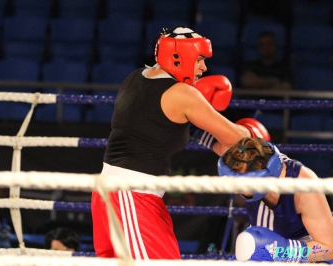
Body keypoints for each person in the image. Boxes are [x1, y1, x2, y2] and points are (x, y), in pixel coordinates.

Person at [91, 26, 271, 260]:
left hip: (121, 194)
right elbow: (237, 138)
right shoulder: (183, 94)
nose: (204, 68)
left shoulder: (136, 77)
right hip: (131, 197)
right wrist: (253, 131)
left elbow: (182, 129)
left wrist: (220, 146)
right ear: (178, 57)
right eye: (200, 60)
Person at [218, 137, 333, 263]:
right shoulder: (243, 158)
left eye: (241, 184)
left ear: (262, 179)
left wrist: (281, 252)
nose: (236, 191)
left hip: (311, 257)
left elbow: (329, 250)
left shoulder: (304, 187)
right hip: (266, 251)